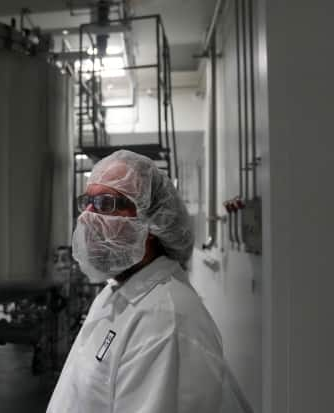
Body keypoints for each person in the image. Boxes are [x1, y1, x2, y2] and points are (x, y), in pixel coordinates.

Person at [47, 150, 252, 413]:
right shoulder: (116, 292)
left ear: (151, 223)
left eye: (106, 204)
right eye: (88, 202)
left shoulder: (166, 322)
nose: (87, 217)